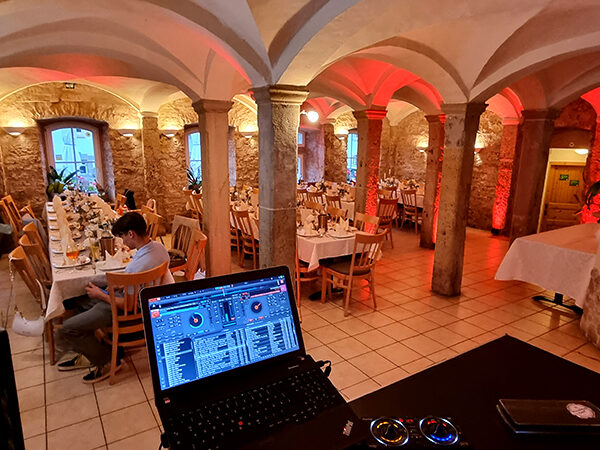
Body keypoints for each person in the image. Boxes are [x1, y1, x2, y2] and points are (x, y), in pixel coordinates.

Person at [57, 212, 174, 383]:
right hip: (149, 300)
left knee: (68, 328)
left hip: (133, 311)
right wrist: (122, 284)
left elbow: (127, 305)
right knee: (80, 301)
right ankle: (94, 350)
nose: (122, 241)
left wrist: (101, 295)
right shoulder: (159, 248)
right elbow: (143, 279)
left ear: (131, 234)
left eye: (122, 236)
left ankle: (106, 360)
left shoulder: (135, 268)